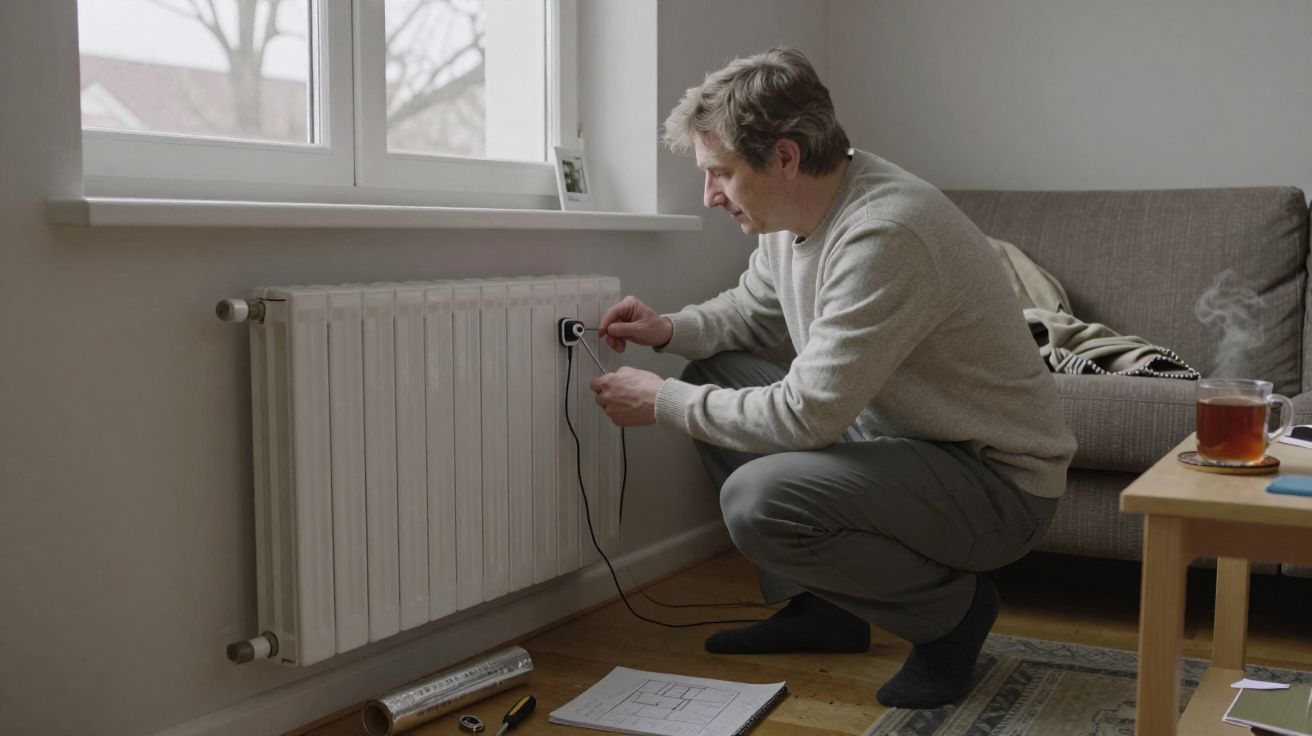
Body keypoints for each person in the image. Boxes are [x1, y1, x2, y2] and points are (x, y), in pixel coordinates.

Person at [589, 48, 1076, 709]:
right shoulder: (790, 214)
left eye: (721, 174)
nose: (709, 196)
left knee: (756, 499)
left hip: (995, 482)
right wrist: (666, 329)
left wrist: (663, 401)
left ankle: (952, 618)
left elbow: (807, 417)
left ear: (784, 157)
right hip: (903, 445)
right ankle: (822, 609)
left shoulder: (886, 234)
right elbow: (748, 309)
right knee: (714, 370)